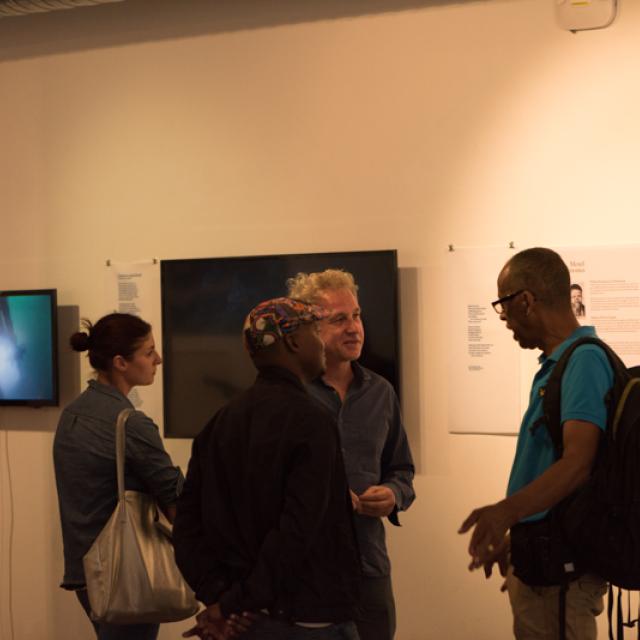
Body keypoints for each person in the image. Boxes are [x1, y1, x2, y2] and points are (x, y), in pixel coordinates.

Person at [173, 297, 361, 640]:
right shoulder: (312, 422)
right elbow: (297, 531)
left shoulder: (219, 422)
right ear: (293, 342)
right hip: (307, 619)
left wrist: (221, 599)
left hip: (244, 621)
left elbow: (187, 525)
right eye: (314, 331)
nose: (321, 343)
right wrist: (235, 602)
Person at [459, 248, 612, 640]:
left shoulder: (584, 362)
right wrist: (519, 540)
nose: (503, 318)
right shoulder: (557, 365)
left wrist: (506, 512)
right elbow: (551, 469)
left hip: (562, 577)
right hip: (543, 564)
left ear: (525, 301)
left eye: (503, 305)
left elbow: (578, 463)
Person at [287, 270, 415, 640]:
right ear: (310, 328)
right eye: (339, 319)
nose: (354, 328)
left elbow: (401, 469)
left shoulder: (381, 392)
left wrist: (393, 494)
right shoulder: (289, 396)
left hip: (368, 567)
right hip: (304, 571)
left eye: (356, 315)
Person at [53, 313, 184, 640]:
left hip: (85, 571)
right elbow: (175, 503)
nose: (158, 359)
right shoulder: (130, 423)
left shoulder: (71, 414)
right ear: (120, 363)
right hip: (126, 571)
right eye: (149, 352)